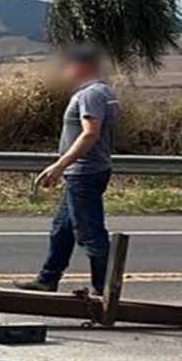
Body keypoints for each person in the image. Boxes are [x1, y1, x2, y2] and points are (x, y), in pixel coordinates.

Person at [16, 45, 120, 295]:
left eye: (70, 64)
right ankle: (48, 278)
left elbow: (90, 134)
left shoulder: (91, 95)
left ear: (85, 66)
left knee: (90, 233)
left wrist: (60, 165)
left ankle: (103, 290)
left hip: (84, 172)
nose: (66, 69)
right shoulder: (104, 91)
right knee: (62, 229)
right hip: (84, 171)